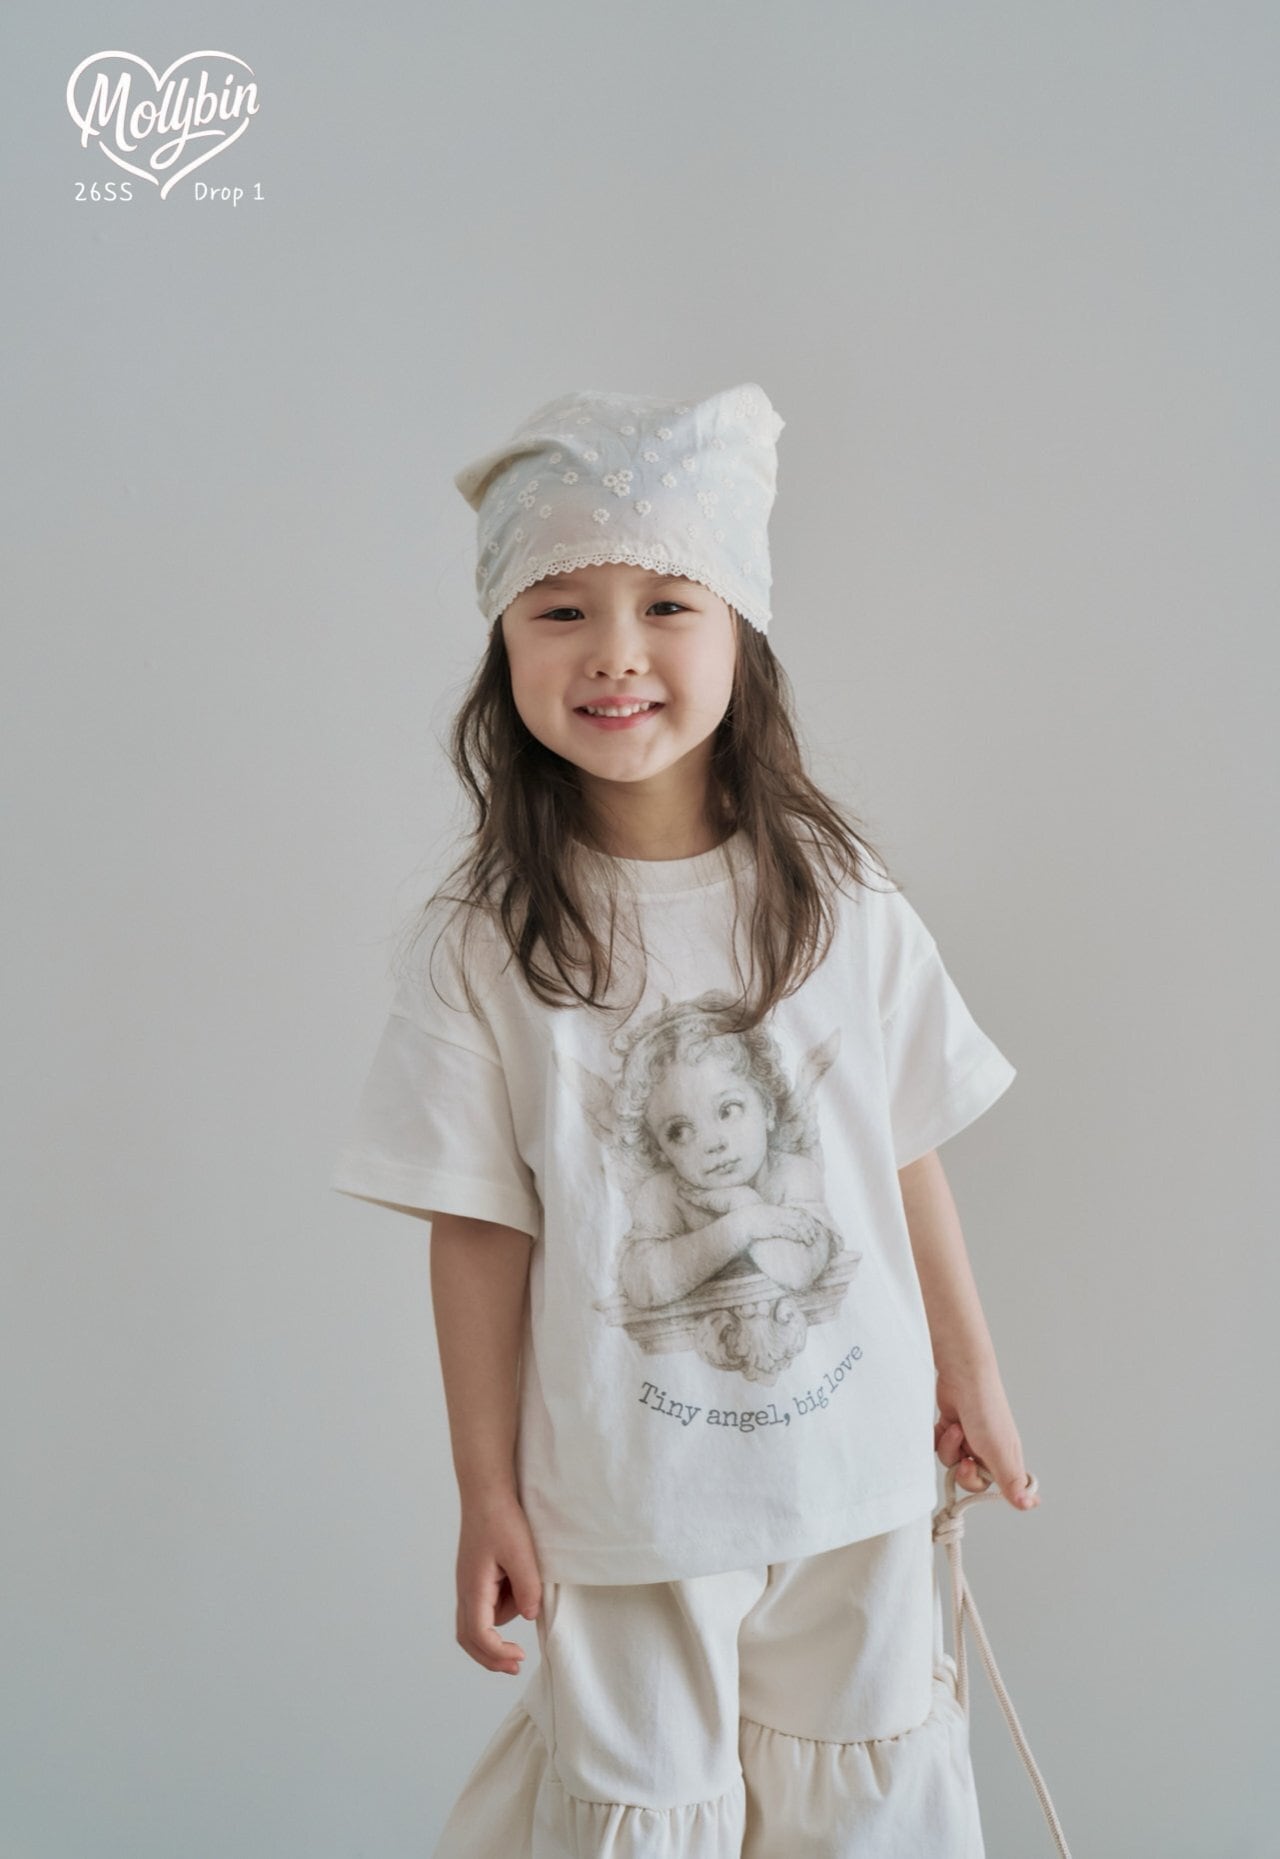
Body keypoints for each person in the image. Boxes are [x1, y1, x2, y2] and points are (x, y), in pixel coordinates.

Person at [330, 382, 1039, 1857]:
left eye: (666, 603)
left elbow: (902, 1149)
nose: (615, 651)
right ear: (503, 649)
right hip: (625, 1501)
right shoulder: (484, 946)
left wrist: (972, 1376)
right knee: (641, 1816)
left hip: (855, 1481)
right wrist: (483, 1492)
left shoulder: (839, 904)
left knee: (864, 1812)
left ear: (740, 636)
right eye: (560, 610)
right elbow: (480, 1229)